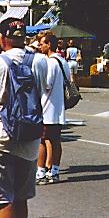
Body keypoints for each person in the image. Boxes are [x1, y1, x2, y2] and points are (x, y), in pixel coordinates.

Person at [0, 18, 49, 217]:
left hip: (4, 138)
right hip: (30, 138)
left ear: (2, 39)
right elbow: (43, 95)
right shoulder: (39, 61)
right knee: (21, 198)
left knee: (4, 199)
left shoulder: (1, 63)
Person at [36, 32, 67, 185]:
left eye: (42, 43)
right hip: (59, 109)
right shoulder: (62, 61)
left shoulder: (49, 62)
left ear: (49, 44)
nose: (40, 46)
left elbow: (46, 85)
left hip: (46, 108)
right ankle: (54, 171)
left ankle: (41, 171)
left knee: (42, 141)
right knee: (56, 141)